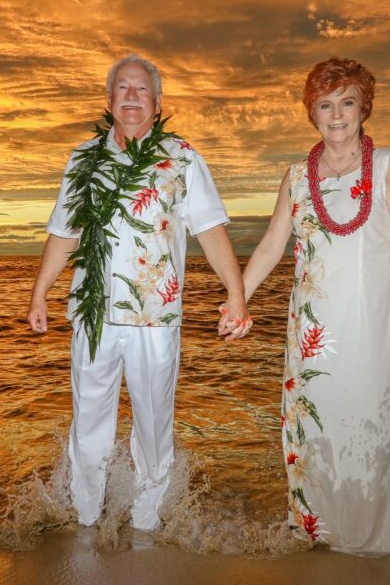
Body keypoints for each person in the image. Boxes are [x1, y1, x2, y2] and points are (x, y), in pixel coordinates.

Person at [28, 54, 251, 531]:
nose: (132, 95)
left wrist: (236, 294)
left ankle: (147, 523)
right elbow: (64, 230)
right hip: (93, 316)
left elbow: (210, 230)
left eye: (142, 89)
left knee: (153, 426)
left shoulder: (183, 157)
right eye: (123, 88)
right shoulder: (83, 159)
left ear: (157, 101)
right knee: (89, 424)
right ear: (109, 99)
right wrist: (40, 292)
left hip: (156, 316)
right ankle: (87, 521)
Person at [234, 56, 390, 555]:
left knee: (371, 426)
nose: (336, 115)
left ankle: (370, 545)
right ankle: (317, 536)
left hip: (374, 323)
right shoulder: (296, 176)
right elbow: (270, 245)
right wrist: (238, 299)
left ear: (363, 108)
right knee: (315, 427)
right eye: (325, 105)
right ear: (312, 112)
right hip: (314, 332)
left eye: (346, 103)